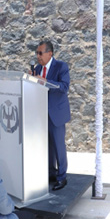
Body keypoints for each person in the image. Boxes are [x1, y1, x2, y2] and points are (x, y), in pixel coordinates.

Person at [33, 40, 71, 190]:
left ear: (50, 53)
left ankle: (62, 177)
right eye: (37, 53)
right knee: (47, 146)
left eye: (40, 53)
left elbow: (64, 87)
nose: (38, 56)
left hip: (56, 114)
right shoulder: (37, 68)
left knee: (58, 146)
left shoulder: (61, 66)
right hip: (41, 114)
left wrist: (46, 82)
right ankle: (51, 173)